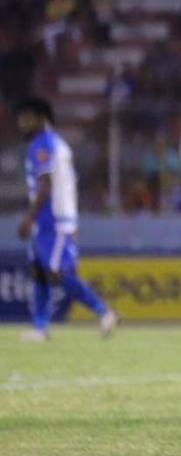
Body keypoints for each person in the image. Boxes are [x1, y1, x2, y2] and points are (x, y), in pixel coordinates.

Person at [16, 98, 117, 342]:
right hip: (52, 218)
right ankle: (41, 327)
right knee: (41, 271)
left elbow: (45, 184)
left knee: (57, 272)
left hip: (54, 218)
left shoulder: (43, 143)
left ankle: (104, 311)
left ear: (42, 118)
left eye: (26, 118)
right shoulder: (54, 143)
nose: (21, 124)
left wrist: (29, 217)